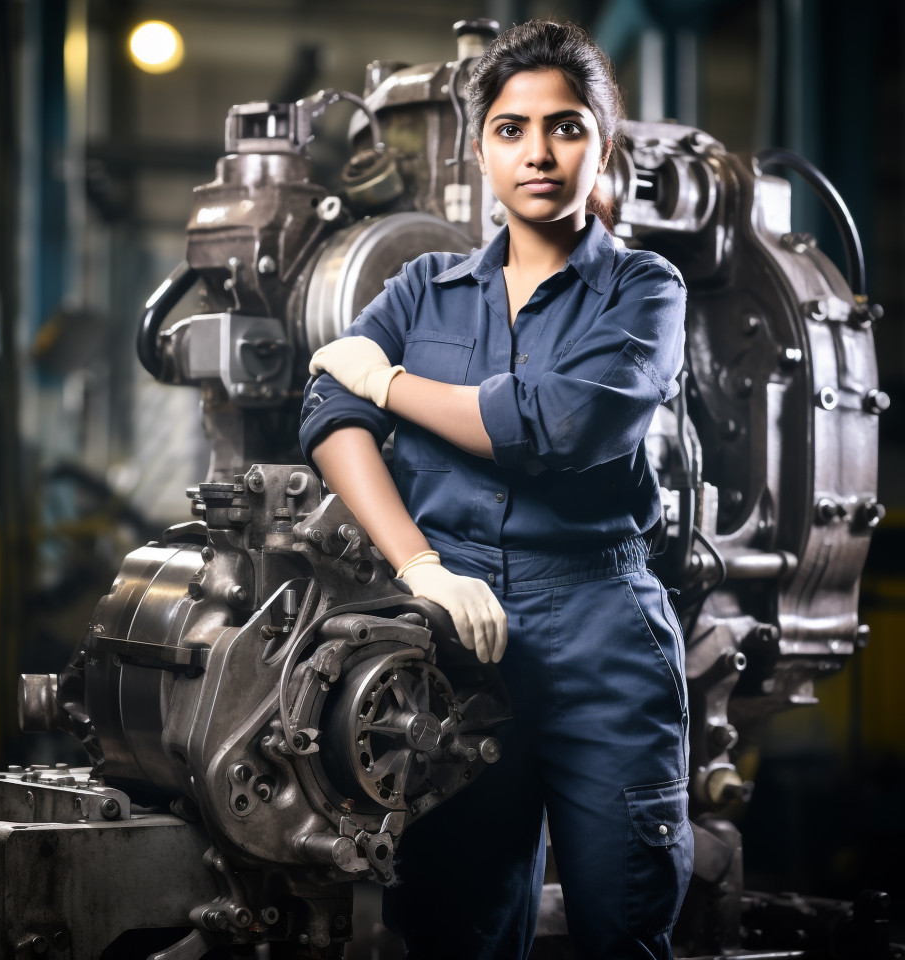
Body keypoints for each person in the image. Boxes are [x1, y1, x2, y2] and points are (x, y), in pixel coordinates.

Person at [299, 19, 692, 959]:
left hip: (602, 630)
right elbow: (326, 414)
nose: (540, 152)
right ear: (481, 151)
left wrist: (389, 384)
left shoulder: (644, 291)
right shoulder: (421, 289)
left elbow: (555, 426)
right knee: (452, 922)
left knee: (623, 916)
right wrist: (422, 565)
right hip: (455, 631)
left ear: (604, 145)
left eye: (565, 127)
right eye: (511, 130)